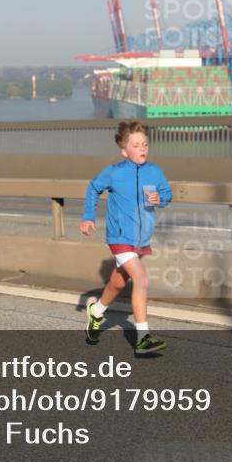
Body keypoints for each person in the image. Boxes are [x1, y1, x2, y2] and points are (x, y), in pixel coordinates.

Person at [81, 120, 172, 355]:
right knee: (141, 280)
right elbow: (93, 188)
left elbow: (167, 193)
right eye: (136, 145)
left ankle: (97, 312)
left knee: (118, 282)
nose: (142, 148)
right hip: (119, 235)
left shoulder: (155, 171)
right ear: (124, 150)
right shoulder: (114, 172)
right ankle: (143, 338)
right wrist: (89, 216)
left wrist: (159, 199)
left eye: (145, 144)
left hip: (141, 238)